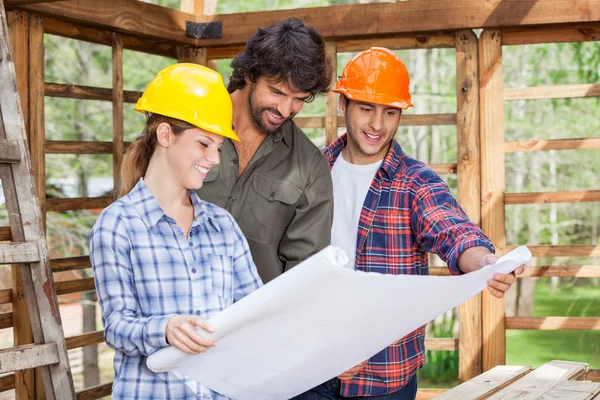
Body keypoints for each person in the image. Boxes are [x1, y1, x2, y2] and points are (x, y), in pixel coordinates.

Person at [295, 47, 524, 399]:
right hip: (312, 368)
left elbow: (454, 231)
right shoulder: (313, 170)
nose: (377, 124)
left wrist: (484, 263)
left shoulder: (415, 182)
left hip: (384, 376)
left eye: (390, 112)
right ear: (343, 105)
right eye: (366, 108)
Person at [90, 64, 262, 399]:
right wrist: (164, 329)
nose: (213, 158)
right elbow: (117, 327)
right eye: (203, 144)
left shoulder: (222, 226)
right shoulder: (118, 225)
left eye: (218, 147)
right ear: (166, 135)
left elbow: (255, 313)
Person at [197, 17, 334, 283]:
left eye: (298, 99)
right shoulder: (188, 125)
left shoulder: (310, 166)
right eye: (277, 92)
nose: (285, 110)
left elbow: (305, 276)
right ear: (251, 73)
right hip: (175, 316)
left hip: (257, 321)